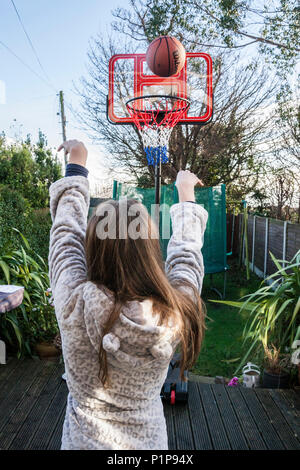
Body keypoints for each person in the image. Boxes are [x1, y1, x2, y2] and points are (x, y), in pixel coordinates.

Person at [49, 139, 208, 450]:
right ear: (149, 251)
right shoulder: (173, 314)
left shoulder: (74, 303)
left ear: (92, 248)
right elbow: (186, 257)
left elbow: (65, 234)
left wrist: (77, 165)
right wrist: (186, 194)